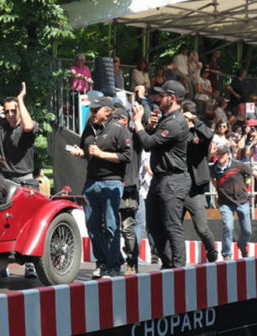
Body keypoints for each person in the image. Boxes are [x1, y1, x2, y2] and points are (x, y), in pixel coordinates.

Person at [68, 96, 132, 277]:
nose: (93, 113)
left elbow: (127, 157)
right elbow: (86, 152)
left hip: (112, 181)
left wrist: (102, 154)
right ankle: (102, 262)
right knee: (92, 224)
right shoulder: (89, 127)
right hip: (91, 181)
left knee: (111, 225)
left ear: (108, 111)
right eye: (92, 110)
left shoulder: (119, 129)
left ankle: (113, 266)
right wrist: (78, 153)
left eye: (97, 110)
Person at [132, 80, 191, 269]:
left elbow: (148, 144)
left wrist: (137, 122)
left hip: (173, 179)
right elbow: (149, 138)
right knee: (154, 224)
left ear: (172, 98)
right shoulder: (166, 119)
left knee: (172, 225)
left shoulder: (176, 122)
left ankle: (178, 268)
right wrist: (148, 126)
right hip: (159, 178)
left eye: (162, 95)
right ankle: (167, 265)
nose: (158, 98)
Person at [211, 145, 257, 259]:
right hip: (225, 202)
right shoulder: (214, 169)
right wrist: (217, 191)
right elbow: (212, 179)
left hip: (242, 201)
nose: (220, 155)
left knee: (247, 230)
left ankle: (242, 245)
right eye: (218, 153)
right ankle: (226, 254)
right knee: (228, 226)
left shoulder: (239, 165)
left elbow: (256, 174)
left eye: (223, 153)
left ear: (228, 154)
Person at [181, 100, 219, 262]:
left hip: (195, 188)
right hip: (177, 185)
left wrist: (194, 120)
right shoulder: (177, 131)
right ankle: (176, 261)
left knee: (202, 228)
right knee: (173, 227)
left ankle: (212, 254)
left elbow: (209, 135)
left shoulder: (200, 133)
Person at [112, 103, 142, 274]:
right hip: (111, 186)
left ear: (125, 120)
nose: (113, 123)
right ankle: (116, 258)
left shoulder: (134, 137)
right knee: (106, 226)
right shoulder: (109, 136)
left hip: (128, 189)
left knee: (127, 228)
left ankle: (132, 262)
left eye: (116, 119)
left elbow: (145, 133)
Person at [0, 82, 38, 186]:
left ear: (20, 110)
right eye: (7, 111)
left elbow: (28, 127)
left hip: (24, 179)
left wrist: (20, 99)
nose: (10, 114)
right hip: (5, 178)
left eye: (13, 111)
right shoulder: (3, 126)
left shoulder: (27, 125)